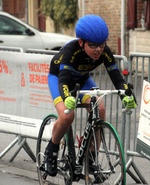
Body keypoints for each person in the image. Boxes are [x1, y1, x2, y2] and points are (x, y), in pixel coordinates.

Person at [45, 14, 136, 177]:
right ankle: (51, 149)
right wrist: (67, 98)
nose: (98, 49)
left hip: (82, 79)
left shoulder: (104, 52)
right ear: (82, 42)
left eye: (101, 44)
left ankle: (91, 159)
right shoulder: (70, 51)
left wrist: (125, 95)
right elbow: (64, 79)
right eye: (93, 45)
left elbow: (116, 76)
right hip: (59, 78)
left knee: (99, 109)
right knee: (67, 116)